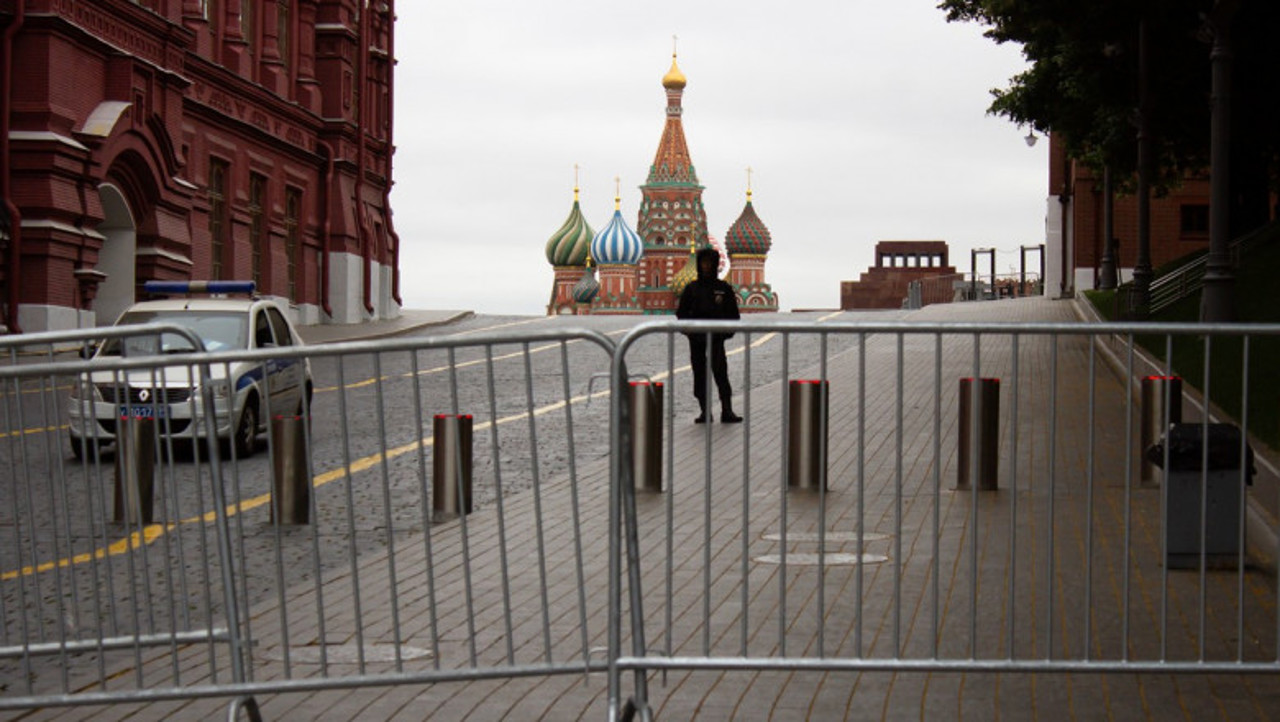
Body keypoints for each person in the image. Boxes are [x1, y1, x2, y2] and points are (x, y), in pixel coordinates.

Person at [676, 247, 742, 423]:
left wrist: (725, 333)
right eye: (704, 262)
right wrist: (689, 330)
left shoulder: (723, 288)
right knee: (699, 375)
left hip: (716, 339)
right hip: (697, 340)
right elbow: (681, 313)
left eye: (709, 262)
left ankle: (727, 411)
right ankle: (705, 411)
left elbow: (733, 315)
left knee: (721, 374)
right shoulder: (692, 289)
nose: (706, 266)